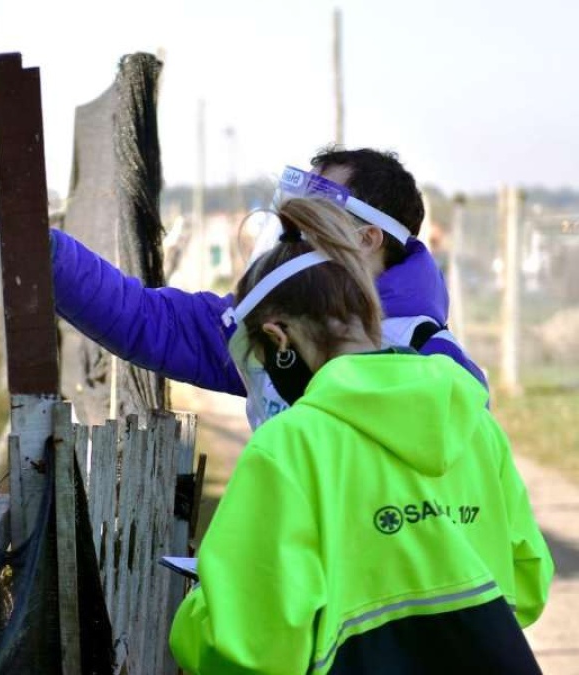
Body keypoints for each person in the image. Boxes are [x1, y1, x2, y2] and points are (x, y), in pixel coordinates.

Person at [168, 197, 553, 674]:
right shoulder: (475, 421)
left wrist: (201, 608)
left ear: (278, 337)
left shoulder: (290, 446)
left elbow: (250, 649)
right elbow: (528, 582)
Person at [0, 147, 488, 429]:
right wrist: (41, 247)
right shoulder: (272, 325)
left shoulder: (437, 364)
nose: (290, 237)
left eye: (311, 221)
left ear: (367, 239)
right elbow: (146, 319)